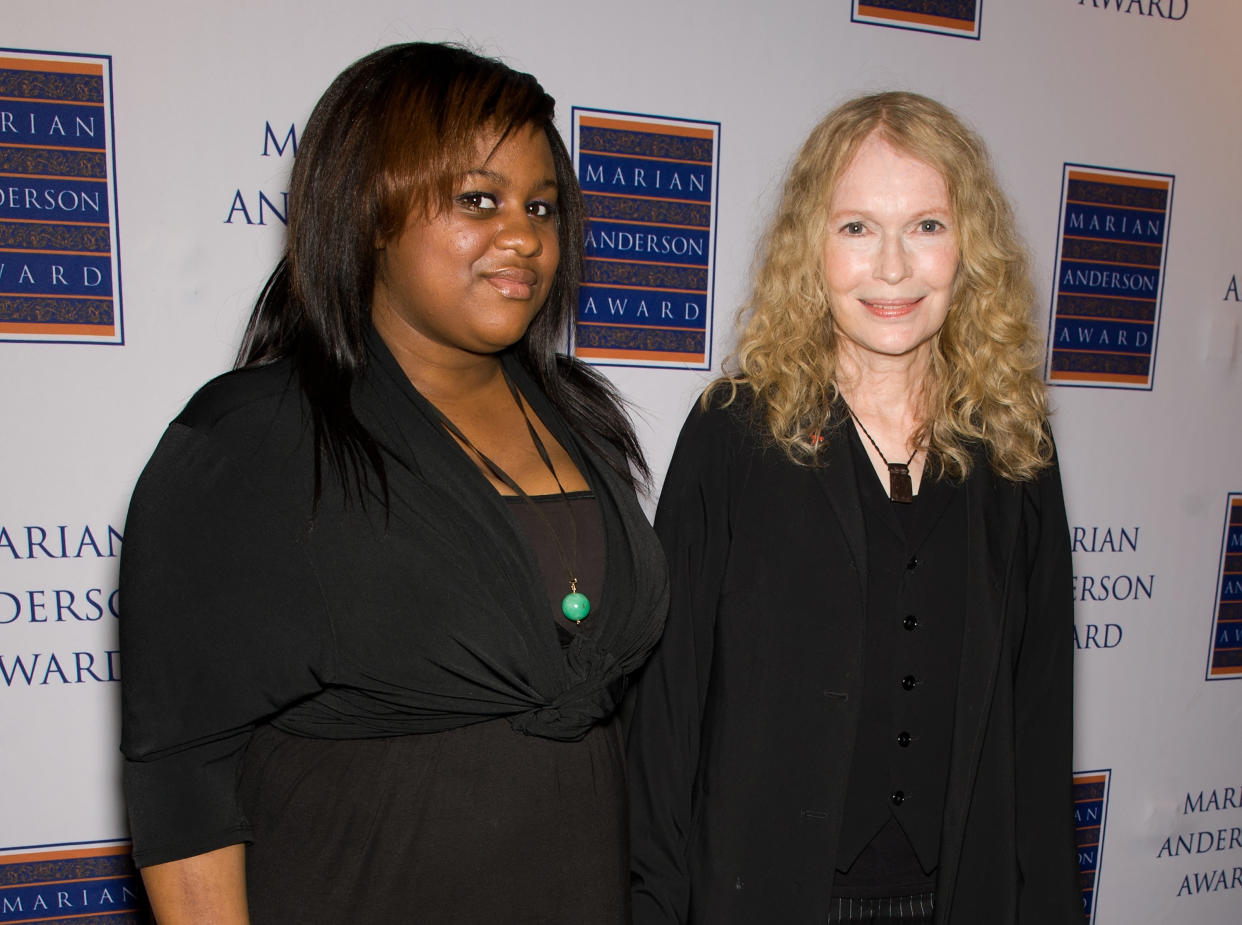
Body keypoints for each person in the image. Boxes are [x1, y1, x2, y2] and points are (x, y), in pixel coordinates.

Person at [120, 43, 667, 924]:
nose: (524, 234)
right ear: (372, 212)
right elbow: (183, 777)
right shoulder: (252, 441)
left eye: (542, 206)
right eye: (479, 200)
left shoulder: (582, 418)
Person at [627, 92, 1078, 924]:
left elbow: (1041, 725)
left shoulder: (1015, 447)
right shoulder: (734, 433)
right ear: (812, 248)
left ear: (968, 248)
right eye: (858, 227)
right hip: (763, 895)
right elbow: (663, 717)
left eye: (928, 226)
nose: (895, 268)